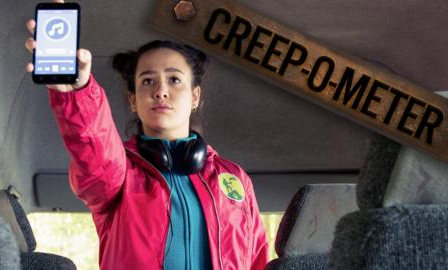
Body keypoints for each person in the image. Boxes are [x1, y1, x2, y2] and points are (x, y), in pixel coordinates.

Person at [24, 1, 269, 269]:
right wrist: (78, 90)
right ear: (133, 99)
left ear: (195, 96)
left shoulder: (234, 179)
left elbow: (257, 258)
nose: (161, 91)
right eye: (147, 81)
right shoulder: (120, 173)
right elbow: (94, 154)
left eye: (174, 80)